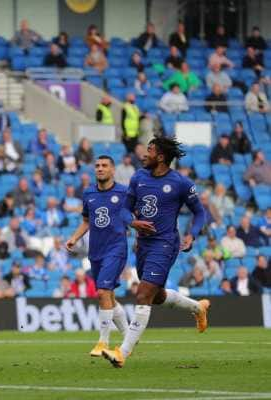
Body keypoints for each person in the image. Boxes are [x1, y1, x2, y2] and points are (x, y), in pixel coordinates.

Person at [101, 137, 208, 368]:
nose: (144, 154)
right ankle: (197, 307)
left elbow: (200, 213)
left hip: (166, 243)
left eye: (149, 150)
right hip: (143, 244)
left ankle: (122, 353)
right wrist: (134, 223)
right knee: (156, 296)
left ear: (160, 157)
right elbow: (124, 211)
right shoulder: (138, 177)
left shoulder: (180, 183)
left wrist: (192, 234)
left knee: (143, 294)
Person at [66, 155, 131, 356]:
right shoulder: (89, 193)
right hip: (96, 251)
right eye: (97, 166)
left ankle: (103, 342)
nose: (100, 169)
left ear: (112, 170)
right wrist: (74, 238)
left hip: (116, 248)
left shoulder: (124, 192)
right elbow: (86, 221)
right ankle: (130, 337)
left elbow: (134, 217)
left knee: (102, 291)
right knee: (109, 296)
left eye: (104, 166)